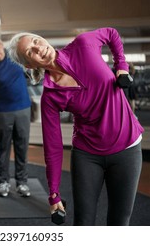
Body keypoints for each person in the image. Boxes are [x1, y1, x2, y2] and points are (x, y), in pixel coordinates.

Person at [8, 27, 144, 225]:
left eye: (36, 41)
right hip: (87, 154)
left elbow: (111, 34)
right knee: (83, 222)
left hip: (127, 147)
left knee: (119, 222)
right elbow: (53, 147)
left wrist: (121, 65)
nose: (38, 49)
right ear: (29, 64)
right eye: (30, 52)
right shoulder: (50, 96)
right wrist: (53, 194)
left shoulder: (83, 45)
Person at [0, 36, 32, 197]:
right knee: (3, 147)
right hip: (2, 112)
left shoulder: (15, 57)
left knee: (22, 145)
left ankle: (22, 182)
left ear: (2, 45)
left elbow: (32, 65)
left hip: (23, 108)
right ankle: (3, 182)